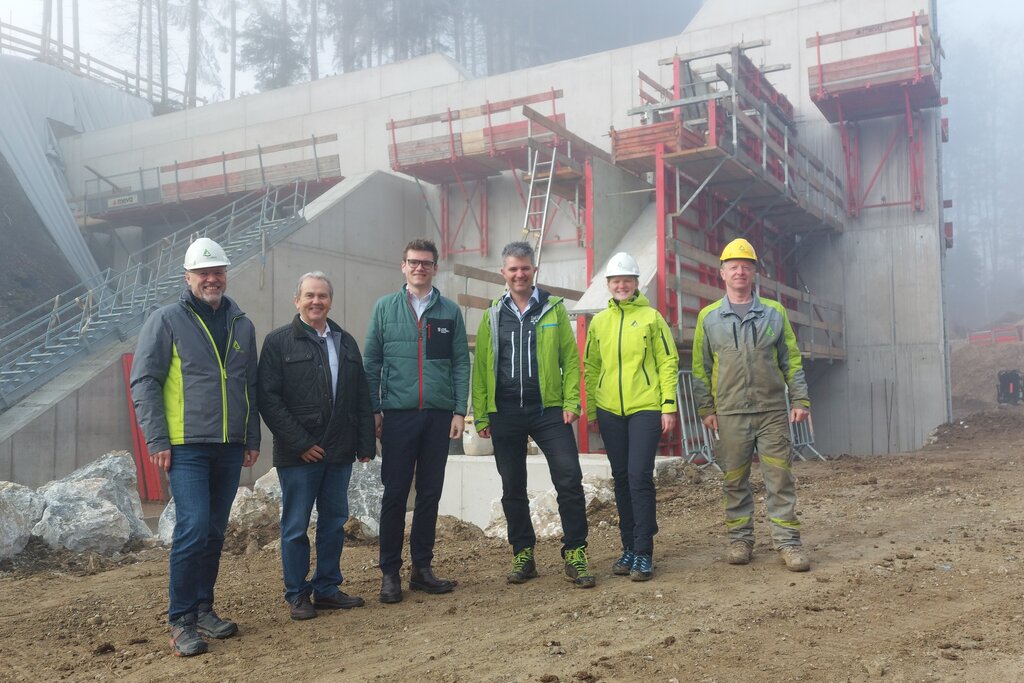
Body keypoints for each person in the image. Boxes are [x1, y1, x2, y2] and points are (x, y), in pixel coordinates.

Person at [130, 237, 260, 657]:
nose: (211, 278)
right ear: (187, 277)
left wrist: (251, 436)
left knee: (215, 531)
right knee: (192, 528)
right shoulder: (166, 319)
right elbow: (144, 381)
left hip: (228, 445)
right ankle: (180, 620)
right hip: (185, 446)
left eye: (217, 271)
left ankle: (204, 608)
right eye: (203, 272)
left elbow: (249, 385)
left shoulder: (241, 323)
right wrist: (157, 438)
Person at [473, 241, 595, 589]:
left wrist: (572, 402)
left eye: (525, 268)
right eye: (513, 268)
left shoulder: (553, 309)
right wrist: (481, 414)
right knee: (513, 486)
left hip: (549, 409)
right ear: (504, 273)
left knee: (569, 478)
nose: (519, 274)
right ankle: (523, 553)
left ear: (534, 270)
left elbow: (570, 360)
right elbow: (481, 367)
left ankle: (575, 551)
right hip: (505, 411)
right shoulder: (493, 313)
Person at [258, 272, 375, 620]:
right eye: (309, 295)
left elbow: (360, 397)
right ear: (297, 301)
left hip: (339, 452)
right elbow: (268, 399)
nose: (316, 301)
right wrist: (301, 443)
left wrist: (365, 443)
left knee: (334, 522)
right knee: (295, 526)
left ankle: (326, 588)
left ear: (330, 301)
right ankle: (297, 594)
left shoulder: (346, 342)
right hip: (298, 456)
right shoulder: (278, 342)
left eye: (322, 296)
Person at [691, 238, 812, 572]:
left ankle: (788, 543)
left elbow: (791, 359)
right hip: (730, 413)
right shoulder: (709, 317)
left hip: (771, 410)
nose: (740, 271)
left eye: (746, 266)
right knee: (734, 480)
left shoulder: (775, 313)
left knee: (780, 479)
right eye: (733, 266)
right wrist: (706, 408)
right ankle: (740, 539)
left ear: (754, 272)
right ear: (722, 273)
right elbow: (700, 368)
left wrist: (800, 397)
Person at [363, 238, 470, 604]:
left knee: (429, 492)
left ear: (435, 268)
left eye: (426, 263)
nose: (419, 268)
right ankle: (389, 573)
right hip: (398, 414)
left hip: (439, 416)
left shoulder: (450, 312)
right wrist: (375, 408)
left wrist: (459, 410)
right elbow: (371, 363)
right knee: (394, 494)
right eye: (413, 262)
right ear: (403, 266)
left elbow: (460, 362)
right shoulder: (384, 309)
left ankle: (422, 569)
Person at [583, 252, 678, 581]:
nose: (621, 285)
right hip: (610, 410)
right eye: (615, 281)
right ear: (608, 285)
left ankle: (643, 551)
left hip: (645, 408)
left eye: (627, 280)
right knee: (621, 479)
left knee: (639, 476)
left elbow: (667, 363)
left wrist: (668, 405)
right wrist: (593, 409)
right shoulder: (599, 322)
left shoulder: (652, 318)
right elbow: (591, 366)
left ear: (637, 283)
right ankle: (627, 547)